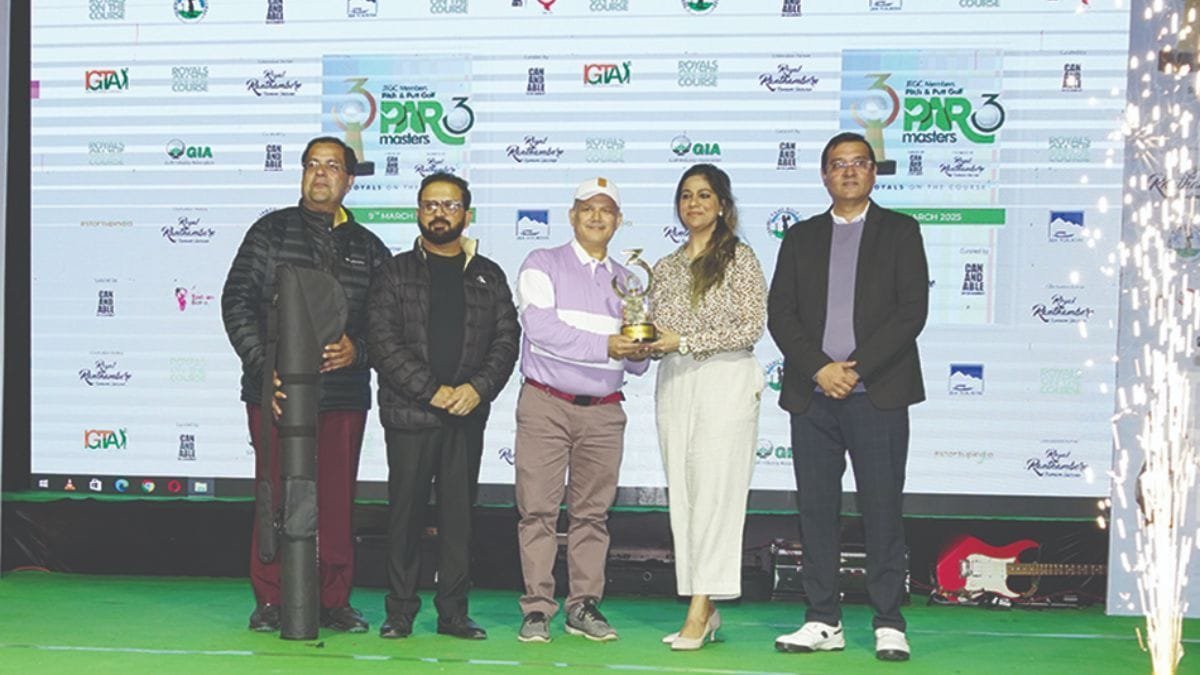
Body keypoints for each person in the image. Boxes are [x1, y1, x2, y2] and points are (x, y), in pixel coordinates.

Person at [767, 132, 929, 661]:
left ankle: (889, 621)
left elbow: (911, 312)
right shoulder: (800, 237)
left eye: (860, 162)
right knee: (816, 511)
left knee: (882, 509)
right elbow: (780, 313)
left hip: (877, 393)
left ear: (873, 173)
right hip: (813, 396)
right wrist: (820, 369)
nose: (850, 171)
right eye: (839, 163)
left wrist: (854, 369)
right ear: (824, 175)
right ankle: (822, 619)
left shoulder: (901, 231)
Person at [221, 136, 390, 634]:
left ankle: (333, 600)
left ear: (349, 180)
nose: (320, 173)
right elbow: (236, 302)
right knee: (276, 494)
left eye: (332, 166)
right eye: (312, 164)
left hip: (343, 395)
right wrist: (263, 367)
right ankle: (272, 599)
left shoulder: (368, 247)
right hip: (276, 392)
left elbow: (388, 323)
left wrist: (360, 350)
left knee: (336, 501)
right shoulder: (269, 233)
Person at [367, 172, 520, 640]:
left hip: (465, 414)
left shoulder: (488, 274)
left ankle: (453, 613)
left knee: (459, 519)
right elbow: (382, 340)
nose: (440, 213)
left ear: (466, 215)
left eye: (450, 205)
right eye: (431, 204)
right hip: (410, 414)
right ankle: (400, 611)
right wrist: (431, 390)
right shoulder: (393, 272)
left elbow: (506, 339)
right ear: (418, 212)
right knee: (405, 516)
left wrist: (477, 389)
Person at [512, 177, 650, 643]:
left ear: (618, 220)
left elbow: (638, 366)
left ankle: (583, 605)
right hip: (546, 404)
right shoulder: (541, 263)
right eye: (587, 208)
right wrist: (609, 344)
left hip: (605, 412)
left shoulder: (630, 282)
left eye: (606, 209)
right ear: (572, 216)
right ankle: (537, 608)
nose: (596, 216)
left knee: (592, 515)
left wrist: (640, 349)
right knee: (538, 511)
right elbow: (542, 330)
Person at [647, 164, 767, 651]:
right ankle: (704, 604)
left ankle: (700, 607)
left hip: (726, 378)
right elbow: (657, 331)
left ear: (722, 204)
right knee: (686, 496)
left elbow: (751, 326)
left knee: (717, 494)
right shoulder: (664, 266)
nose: (693, 204)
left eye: (703, 195)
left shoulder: (740, 257)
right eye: (686, 196)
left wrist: (685, 340)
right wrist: (643, 340)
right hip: (675, 381)